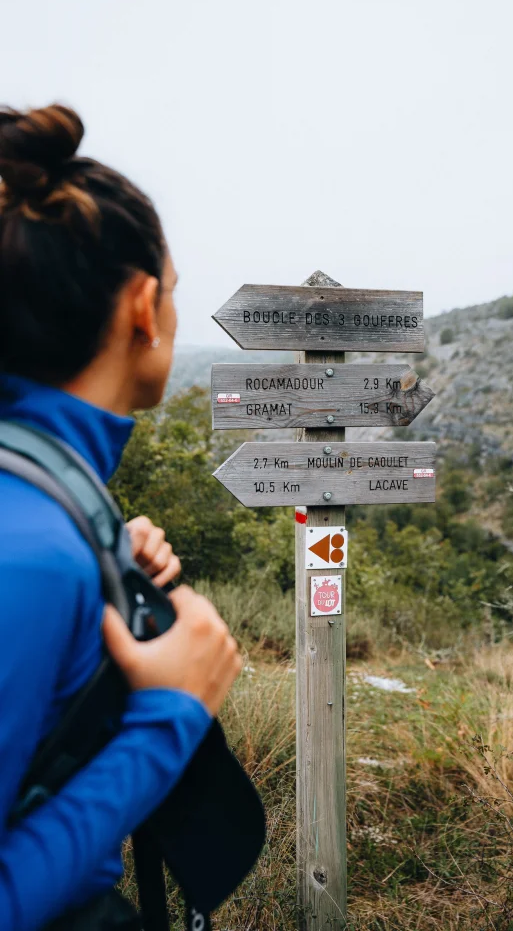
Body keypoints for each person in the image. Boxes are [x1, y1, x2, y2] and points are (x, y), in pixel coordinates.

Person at [0, 104, 243, 930]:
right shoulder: (28, 555)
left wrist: (98, 554)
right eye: (173, 292)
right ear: (144, 308)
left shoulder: (45, 516)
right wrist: (170, 716)